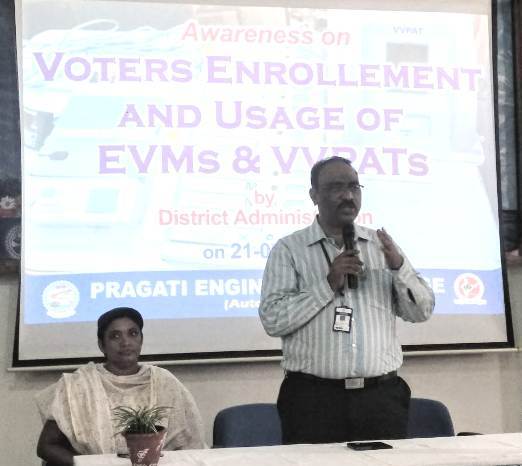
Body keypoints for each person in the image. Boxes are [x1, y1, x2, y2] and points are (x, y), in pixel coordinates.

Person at [259, 156, 435, 444]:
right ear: (314, 195)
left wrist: (398, 267)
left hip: (381, 398)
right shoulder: (289, 250)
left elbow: (421, 311)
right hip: (313, 401)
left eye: (354, 187)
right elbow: (273, 319)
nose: (348, 195)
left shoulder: (381, 246)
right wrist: (328, 284)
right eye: (336, 187)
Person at [36, 307, 205, 465]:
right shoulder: (79, 384)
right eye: (115, 336)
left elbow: (190, 443)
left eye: (133, 333)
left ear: (141, 340)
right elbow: (46, 447)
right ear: (102, 345)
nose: (126, 342)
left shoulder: (164, 381)